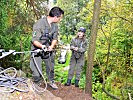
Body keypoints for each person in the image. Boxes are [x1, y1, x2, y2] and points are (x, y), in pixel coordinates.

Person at [30, 7, 64, 89]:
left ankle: (51, 81)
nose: (60, 19)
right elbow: (34, 40)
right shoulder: (39, 24)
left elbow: (55, 38)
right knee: (36, 72)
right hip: (37, 49)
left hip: (48, 50)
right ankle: (37, 84)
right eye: (60, 18)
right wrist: (42, 46)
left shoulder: (55, 26)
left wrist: (51, 46)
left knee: (51, 67)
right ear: (55, 17)